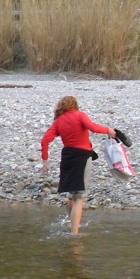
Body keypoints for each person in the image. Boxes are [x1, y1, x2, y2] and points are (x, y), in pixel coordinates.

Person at [40, 95, 116, 235]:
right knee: (79, 197)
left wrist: (45, 161)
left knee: (71, 194)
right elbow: (93, 127)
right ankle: (74, 235)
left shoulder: (58, 121)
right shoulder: (80, 115)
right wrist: (108, 130)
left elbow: (45, 140)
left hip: (67, 157)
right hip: (82, 156)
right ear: (74, 105)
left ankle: (71, 225)